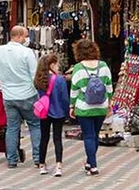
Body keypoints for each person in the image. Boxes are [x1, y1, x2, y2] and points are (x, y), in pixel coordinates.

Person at [0, 26, 41, 169]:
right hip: (28, 94)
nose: (28, 39)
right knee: (34, 125)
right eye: (26, 36)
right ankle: (37, 158)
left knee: (12, 127)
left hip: (9, 96)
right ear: (20, 37)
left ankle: (11, 160)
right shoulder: (27, 53)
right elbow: (34, 74)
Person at [69, 39, 112, 176]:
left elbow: (74, 90)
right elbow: (109, 87)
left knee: (88, 136)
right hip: (101, 106)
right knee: (95, 135)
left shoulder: (78, 68)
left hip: (84, 107)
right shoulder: (104, 66)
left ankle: (93, 166)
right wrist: (109, 102)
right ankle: (89, 161)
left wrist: (72, 105)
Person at [34, 53, 70, 177]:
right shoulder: (60, 80)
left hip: (44, 112)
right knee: (57, 138)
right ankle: (58, 166)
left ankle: (42, 164)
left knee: (44, 138)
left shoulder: (39, 79)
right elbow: (64, 98)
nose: (58, 66)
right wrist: (67, 113)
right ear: (52, 65)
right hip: (58, 112)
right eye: (57, 64)